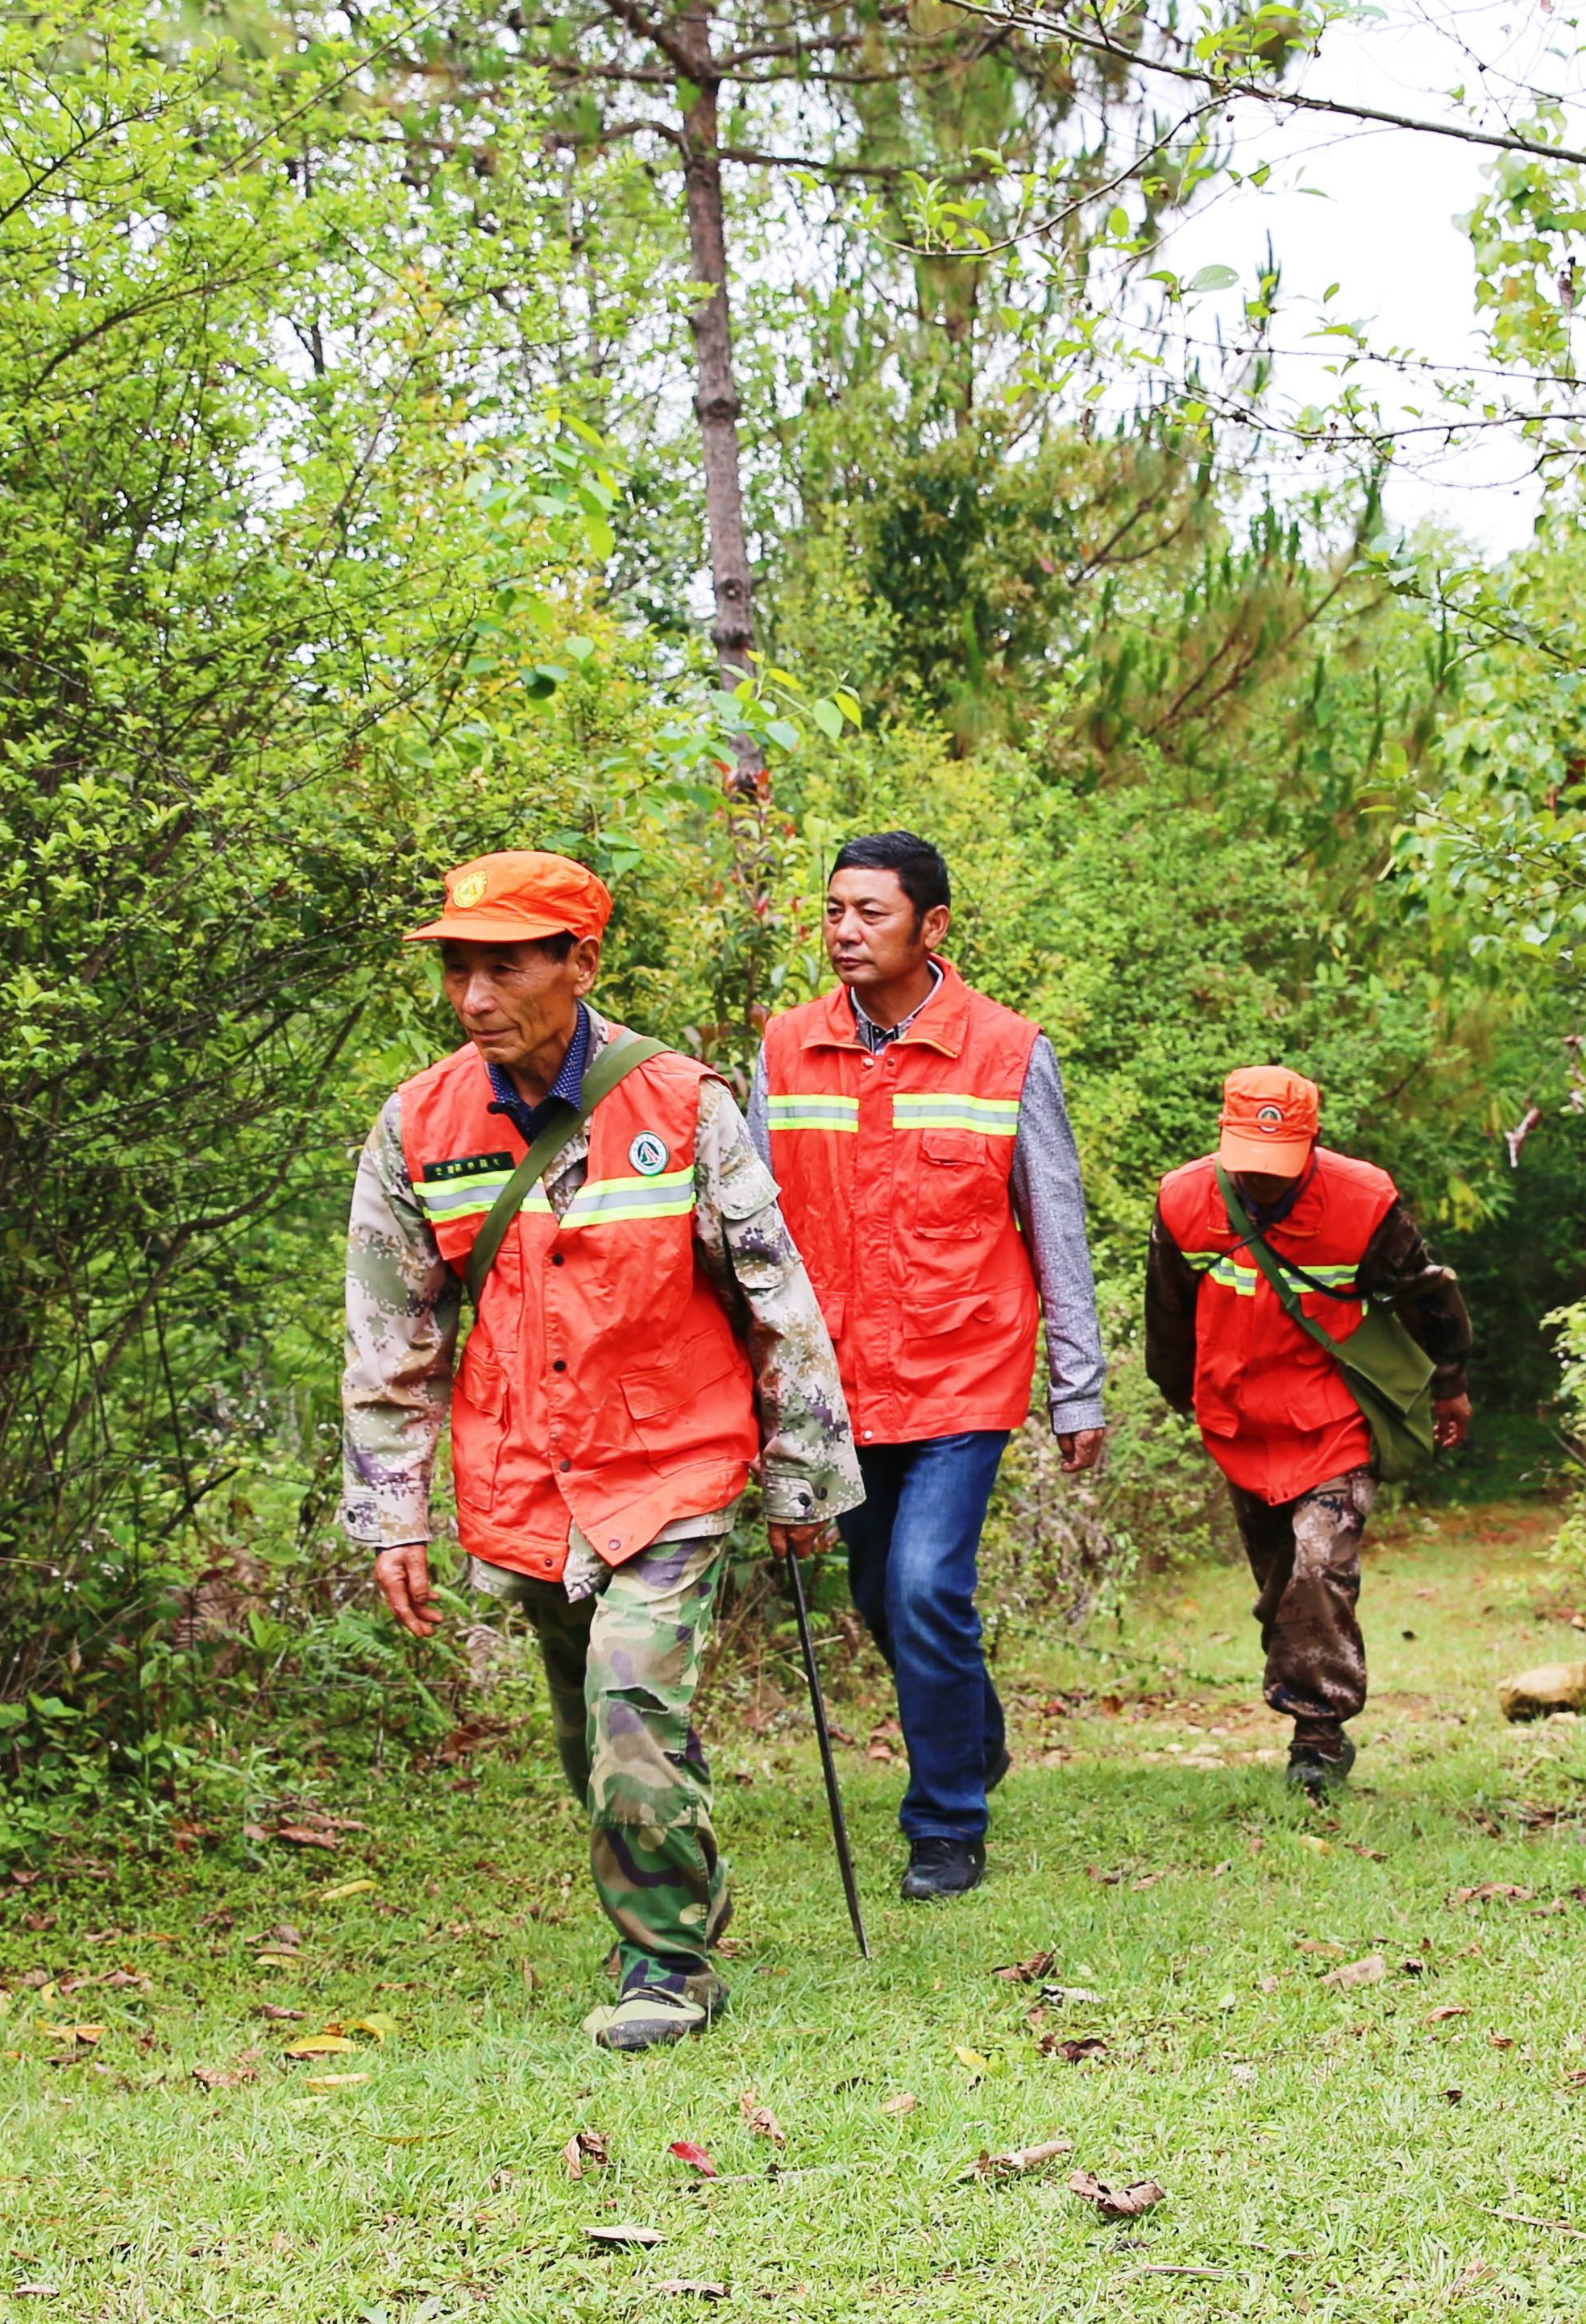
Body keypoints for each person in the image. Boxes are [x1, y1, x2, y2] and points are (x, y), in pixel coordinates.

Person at [342, 849, 862, 2052]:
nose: (475, 997)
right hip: (524, 1476)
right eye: (459, 968)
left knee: (631, 1697)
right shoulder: (417, 1123)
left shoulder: (682, 1105)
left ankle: (666, 1965)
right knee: (596, 1724)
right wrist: (393, 1517)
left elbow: (774, 1299)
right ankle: (682, 1886)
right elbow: (392, 1335)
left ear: (580, 963)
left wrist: (801, 1478)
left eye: (504, 966)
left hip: (675, 1461)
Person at [753, 832, 1109, 1903]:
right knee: (879, 1592)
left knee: (923, 1585)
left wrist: (1076, 1383)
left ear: (933, 927)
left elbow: (1057, 1222)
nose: (846, 932)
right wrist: (765, 1392)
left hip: (963, 1373)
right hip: (839, 1389)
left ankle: (946, 1822)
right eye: (833, 912)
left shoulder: (1005, 1052)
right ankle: (976, 1735)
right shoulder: (784, 1049)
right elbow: (755, 1233)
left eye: (870, 912)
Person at [1143, 1065, 1475, 1799]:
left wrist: (1450, 1385)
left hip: (1333, 1417)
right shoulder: (1185, 1199)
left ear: (1313, 1141)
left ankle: (1318, 1737)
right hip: (1240, 1419)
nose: (1263, 1182)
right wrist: (1177, 1392)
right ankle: (1307, 1690)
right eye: (1249, 1167)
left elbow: (1428, 1293)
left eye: (1279, 1165)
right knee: (1280, 1586)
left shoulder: (1364, 1202)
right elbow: (1167, 1310)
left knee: (1318, 1566)